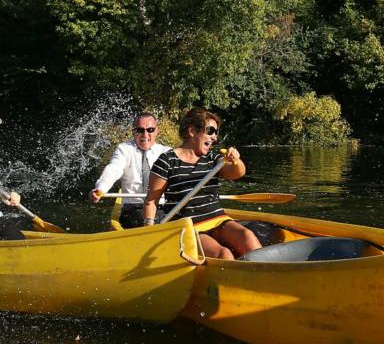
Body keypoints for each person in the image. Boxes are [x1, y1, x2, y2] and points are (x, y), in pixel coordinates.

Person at [143, 108, 261, 259]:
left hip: (218, 219)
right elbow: (151, 201)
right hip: (188, 227)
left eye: (216, 133)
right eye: (210, 131)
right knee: (223, 254)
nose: (214, 138)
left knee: (247, 235)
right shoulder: (166, 161)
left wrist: (235, 161)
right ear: (192, 131)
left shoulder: (212, 158)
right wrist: (149, 231)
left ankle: (269, 275)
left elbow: (237, 173)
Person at [90, 113, 170, 227]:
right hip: (133, 207)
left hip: (161, 206)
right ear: (133, 131)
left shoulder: (166, 152)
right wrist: (100, 188)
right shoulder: (124, 149)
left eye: (150, 130)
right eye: (140, 130)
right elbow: (114, 169)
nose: (145, 134)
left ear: (157, 131)